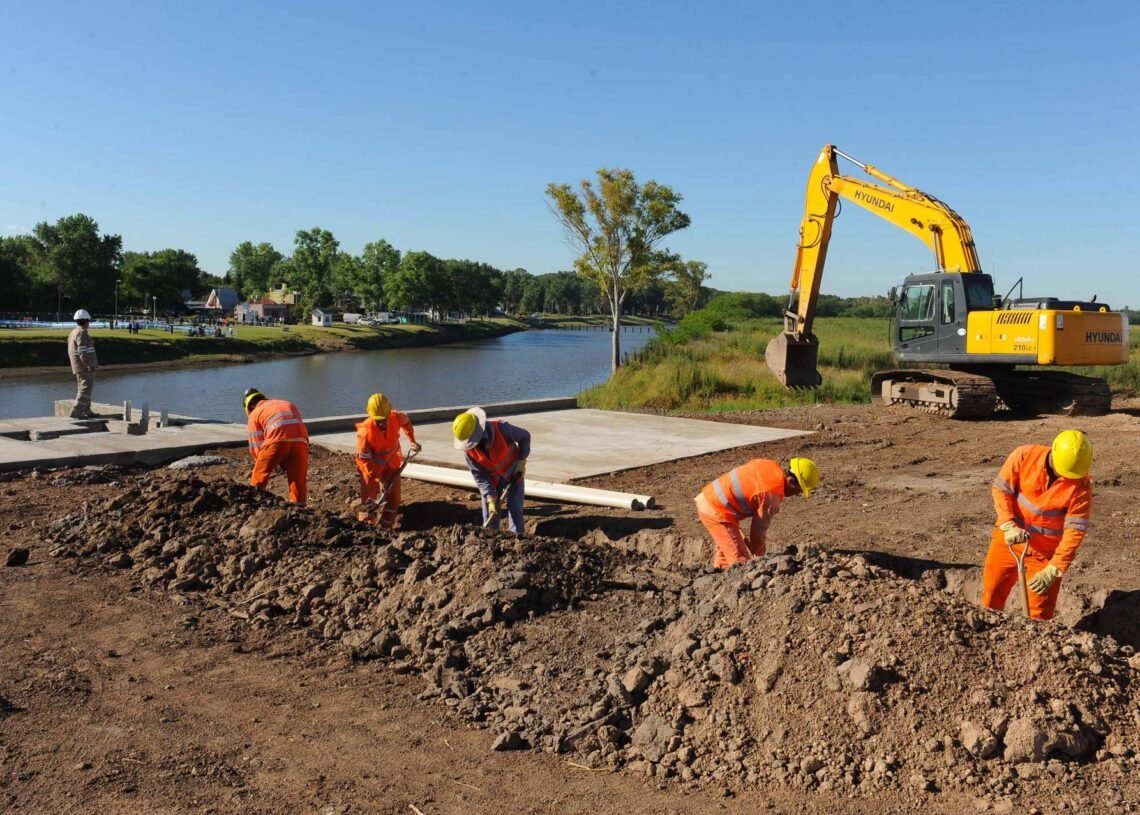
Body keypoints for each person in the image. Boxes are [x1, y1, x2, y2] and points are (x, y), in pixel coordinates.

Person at [982, 430, 1093, 621]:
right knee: (990, 597)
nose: (1066, 477)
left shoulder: (1081, 483)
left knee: (1039, 615)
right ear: (1053, 452)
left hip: (1045, 555)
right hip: (1008, 541)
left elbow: (1075, 530)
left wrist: (1054, 568)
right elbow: (1001, 490)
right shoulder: (1024, 456)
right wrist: (1008, 525)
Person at [695, 457, 819, 570]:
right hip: (717, 511)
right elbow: (758, 531)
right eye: (798, 491)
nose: (796, 495)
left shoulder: (769, 465)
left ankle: (718, 576)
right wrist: (759, 559)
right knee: (741, 562)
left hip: (710, 499)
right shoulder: (771, 495)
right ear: (791, 481)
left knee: (727, 551)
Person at [452, 407, 530, 533]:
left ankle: (518, 540)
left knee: (515, 509)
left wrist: (521, 460)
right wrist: (490, 497)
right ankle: (489, 543)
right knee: (489, 514)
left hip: (514, 474)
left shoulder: (502, 429)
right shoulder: (469, 451)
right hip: (492, 481)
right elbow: (479, 475)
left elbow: (525, 436)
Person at [355, 392, 421, 528]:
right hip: (372, 470)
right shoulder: (365, 432)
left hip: (392, 464)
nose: (382, 423)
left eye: (384, 419)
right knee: (369, 500)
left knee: (394, 498)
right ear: (371, 416)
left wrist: (412, 441)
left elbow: (407, 422)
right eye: (378, 420)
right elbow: (364, 461)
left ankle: (386, 527)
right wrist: (379, 480)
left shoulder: (396, 417)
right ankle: (365, 528)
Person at [244, 387, 309, 505]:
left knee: (259, 474)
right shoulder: (286, 403)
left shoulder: (255, 413)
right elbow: (294, 429)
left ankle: (253, 503)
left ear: (250, 406)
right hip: (301, 440)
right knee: (297, 477)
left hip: (277, 439)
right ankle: (299, 508)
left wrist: (266, 463)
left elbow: (256, 445)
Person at [67, 309, 99, 419]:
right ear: (86, 321)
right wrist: (88, 364)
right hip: (84, 366)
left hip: (78, 365)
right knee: (85, 388)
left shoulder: (74, 332)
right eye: (88, 321)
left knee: (85, 387)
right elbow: (82, 351)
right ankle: (76, 411)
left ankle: (86, 409)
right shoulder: (81, 333)